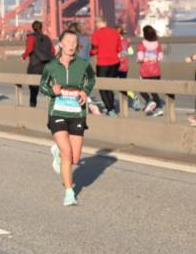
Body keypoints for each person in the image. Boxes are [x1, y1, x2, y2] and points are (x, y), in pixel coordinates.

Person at [40, 29, 95, 206]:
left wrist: (85, 92)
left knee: (75, 158)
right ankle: (69, 192)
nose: (71, 45)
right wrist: (51, 90)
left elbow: (92, 80)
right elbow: (42, 86)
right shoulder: (51, 66)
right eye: (68, 41)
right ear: (61, 44)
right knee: (67, 153)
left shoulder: (84, 64)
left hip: (77, 112)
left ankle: (56, 152)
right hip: (57, 111)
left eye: (74, 42)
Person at [90, 18, 122, 116]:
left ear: (98, 23)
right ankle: (111, 106)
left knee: (102, 87)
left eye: (96, 23)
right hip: (115, 62)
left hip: (102, 63)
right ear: (105, 22)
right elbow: (119, 48)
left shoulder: (96, 34)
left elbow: (94, 49)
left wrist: (91, 53)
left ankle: (110, 109)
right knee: (110, 85)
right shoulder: (115, 33)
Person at [21, 21, 54, 107]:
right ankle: (51, 108)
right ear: (41, 27)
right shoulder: (47, 38)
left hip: (34, 66)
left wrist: (24, 56)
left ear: (33, 27)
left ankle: (33, 108)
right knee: (48, 88)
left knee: (33, 90)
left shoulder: (31, 37)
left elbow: (30, 49)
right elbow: (53, 51)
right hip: (47, 66)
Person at [137, 25, 164, 117]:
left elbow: (140, 58)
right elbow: (160, 57)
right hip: (156, 71)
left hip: (145, 71)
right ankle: (158, 108)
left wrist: (140, 60)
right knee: (154, 90)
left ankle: (150, 101)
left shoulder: (141, 45)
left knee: (141, 88)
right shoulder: (158, 44)